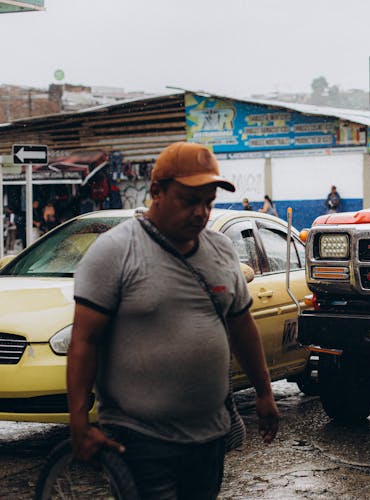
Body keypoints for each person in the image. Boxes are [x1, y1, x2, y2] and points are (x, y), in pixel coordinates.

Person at [67, 141, 279, 499]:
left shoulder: (221, 250)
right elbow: (84, 341)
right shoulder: (116, 251)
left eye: (208, 203)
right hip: (139, 438)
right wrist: (78, 420)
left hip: (209, 436)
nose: (200, 213)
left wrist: (264, 392)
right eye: (188, 200)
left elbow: (242, 326)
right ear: (156, 192)